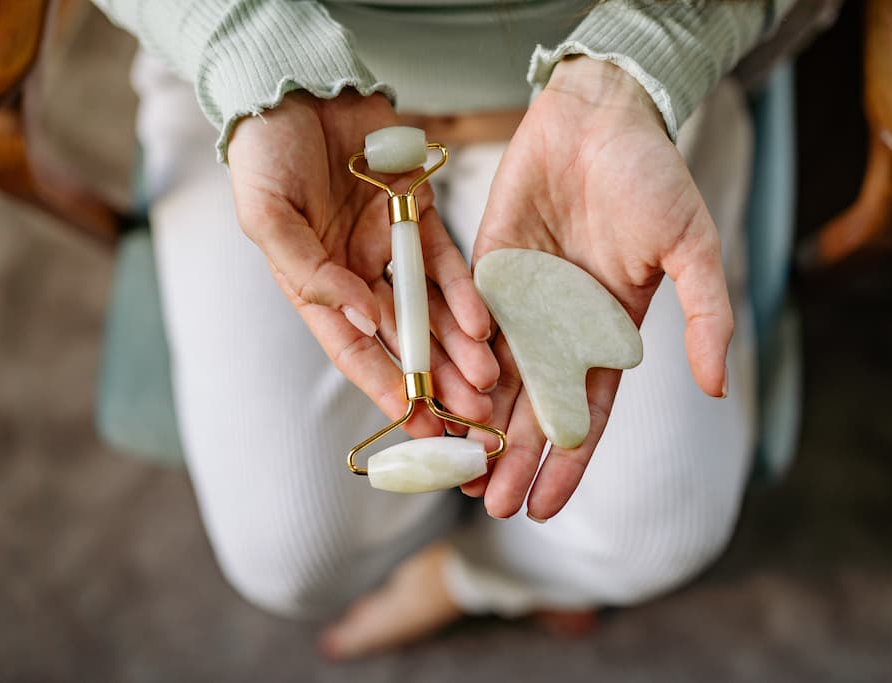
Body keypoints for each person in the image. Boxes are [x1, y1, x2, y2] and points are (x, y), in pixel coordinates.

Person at [93, 0, 812, 660]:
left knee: (660, 531)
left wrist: (645, 57)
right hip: (269, 97)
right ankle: (450, 538)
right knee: (290, 553)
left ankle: (472, 574)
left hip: (615, 101)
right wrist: (246, 48)